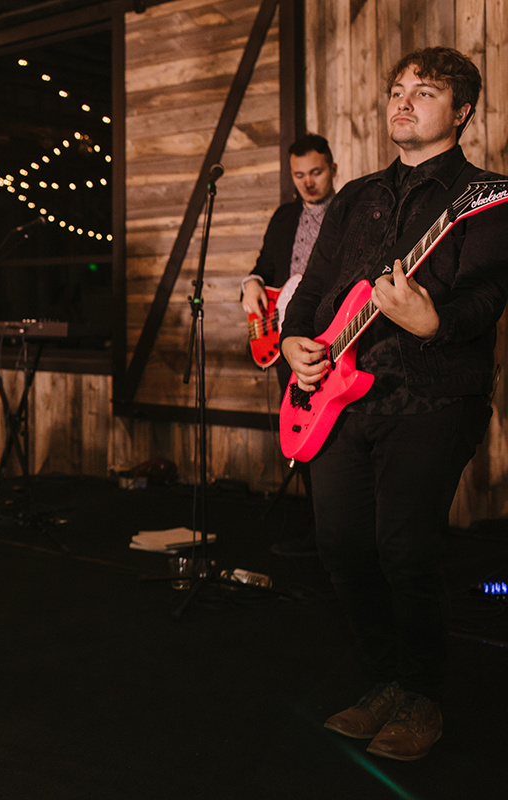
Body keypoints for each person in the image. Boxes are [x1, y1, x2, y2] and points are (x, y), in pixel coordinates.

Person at [280, 46, 508, 762]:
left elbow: (488, 295)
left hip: (433, 396)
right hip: (339, 396)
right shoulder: (354, 199)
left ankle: (422, 695)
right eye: (397, 90)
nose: (402, 102)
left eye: (426, 92)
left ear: (462, 111)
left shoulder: (486, 195)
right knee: (340, 546)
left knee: (403, 548)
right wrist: (294, 342)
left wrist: (434, 322)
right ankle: (381, 679)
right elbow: (315, 290)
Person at [241, 133, 339, 557]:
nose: (308, 183)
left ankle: (340, 534)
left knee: (337, 437)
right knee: (301, 436)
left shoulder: (350, 212)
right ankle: (319, 532)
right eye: (299, 175)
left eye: (315, 172)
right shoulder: (284, 217)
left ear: (332, 167)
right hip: (286, 342)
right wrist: (251, 284)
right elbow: (263, 267)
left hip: (333, 340)